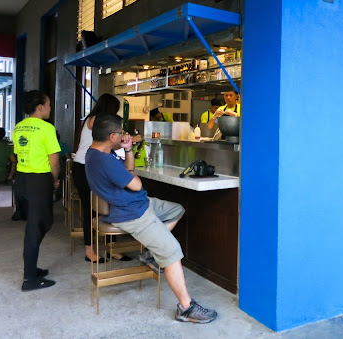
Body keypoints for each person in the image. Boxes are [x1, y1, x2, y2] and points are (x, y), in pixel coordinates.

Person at [85, 113, 217, 323]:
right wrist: (131, 177)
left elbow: (129, 171)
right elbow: (136, 184)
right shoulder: (104, 161)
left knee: (176, 210)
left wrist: (128, 149)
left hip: (137, 204)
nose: (124, 135)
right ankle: (186, 308)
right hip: (131, 213)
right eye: (121, 132)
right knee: (172, 251)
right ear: (112, 136)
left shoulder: (96, 153)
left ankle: (152, 255)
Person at [72, 93, 131, 263]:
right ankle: (89, 251)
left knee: (108, 206)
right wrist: (131, 139)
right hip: (84, 167)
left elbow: (111, 144)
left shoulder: (93, 119)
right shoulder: (96, 120)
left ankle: (112, 249)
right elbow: (113, 140)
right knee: (90, 208)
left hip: (92, 166)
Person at [13, 90, 60, 291]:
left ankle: (31, 268)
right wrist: (54, 180)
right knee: (37, 227)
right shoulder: (47, 128)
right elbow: (54, 161)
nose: (50, 108)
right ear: (40, 107)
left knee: (39, 223)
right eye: (48, 104)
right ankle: (29, 278)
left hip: (22, 179)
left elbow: (18, 154)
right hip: (39, 180)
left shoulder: (19, 127)